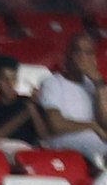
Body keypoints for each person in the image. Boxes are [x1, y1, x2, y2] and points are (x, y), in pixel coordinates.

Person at [36, 31, 106, 163]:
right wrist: (93, 126)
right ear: (68, 56)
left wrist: (99, 84)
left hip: (95, 140)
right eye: (78, 51)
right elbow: (55, 124)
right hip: (65, 140)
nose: (82, 57)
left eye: (88, 52)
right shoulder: (53, 83)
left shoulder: (95, 85)